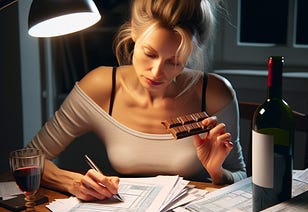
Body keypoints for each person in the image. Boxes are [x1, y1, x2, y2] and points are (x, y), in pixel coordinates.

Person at [27, 0, 246, 201]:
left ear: (192, 52)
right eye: (150, 54)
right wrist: (72, 182)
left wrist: (217, 171)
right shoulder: (101, 88)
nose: (157, 72)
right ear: (133, 31)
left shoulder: (214, 92)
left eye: (174, 62)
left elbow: (241, 176)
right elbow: (29, 159)